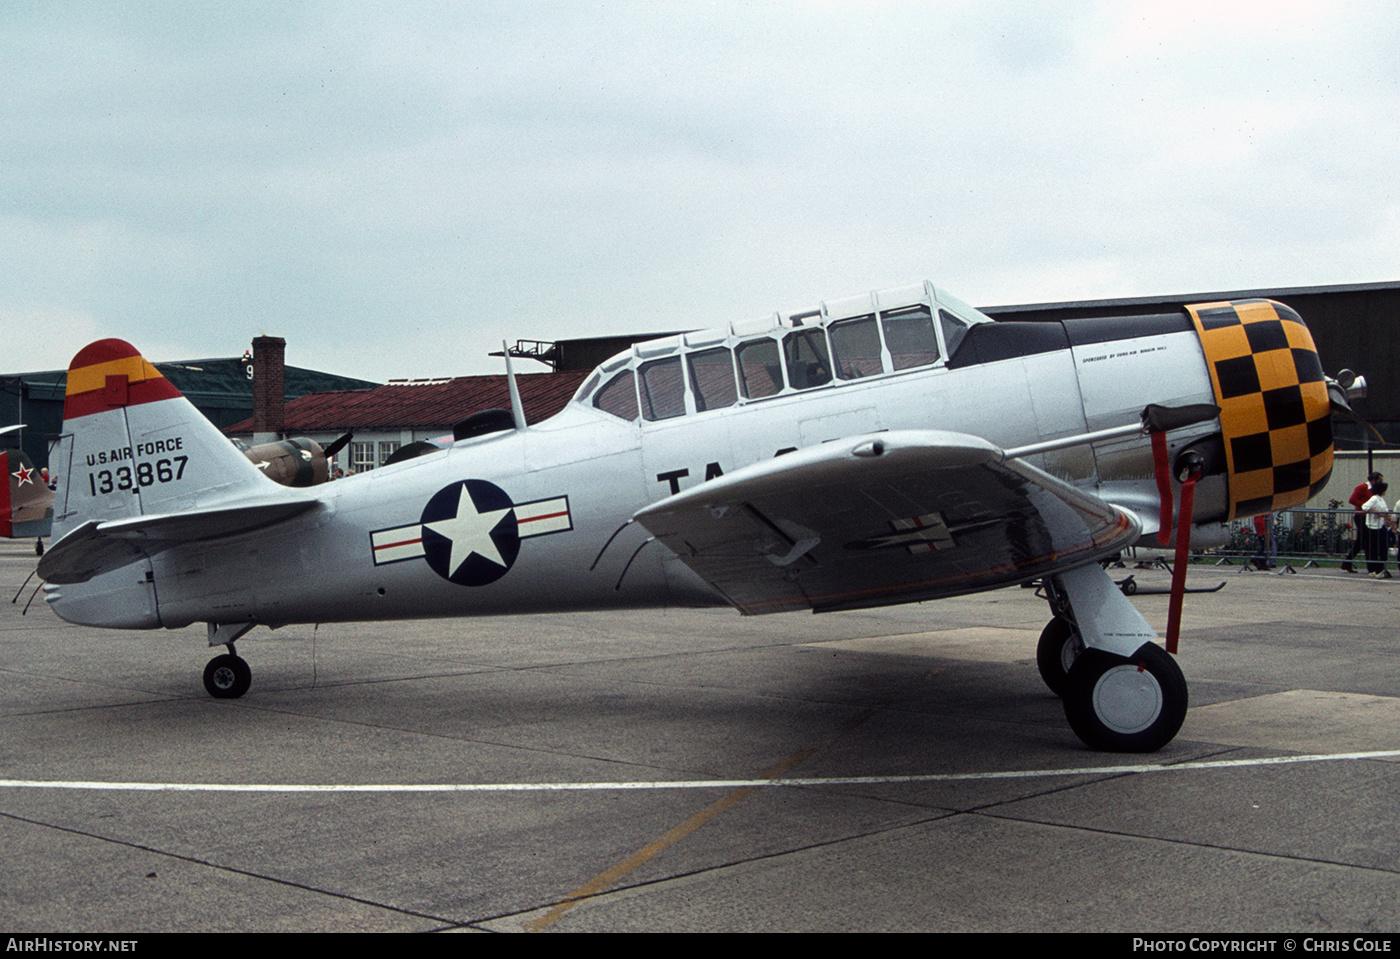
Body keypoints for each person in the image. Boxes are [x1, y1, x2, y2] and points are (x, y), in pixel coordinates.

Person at [1342, 472, 1383, 573]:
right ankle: (1371, 567)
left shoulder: (1374, 491)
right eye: (1379, 480)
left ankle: (1347, 562)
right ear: (1373, 480)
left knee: (1361, 542)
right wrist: (1365, 506)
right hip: (1361, 516)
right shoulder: (1362, 487)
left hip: (1369, 517)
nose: (1381, 482)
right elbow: (1352, 500)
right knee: (1366, 542)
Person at [1362, 481, 1394, 578]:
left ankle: (1380, 568)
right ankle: (1376, 569)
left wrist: (1383, 515)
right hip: (1373, 527)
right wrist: (1375, 511)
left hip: (1381, 526)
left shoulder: (1381, 500)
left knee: (1382, 549)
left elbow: (1385, 511)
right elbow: (1364, 507)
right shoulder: (1374, 498)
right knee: (1376, 549)